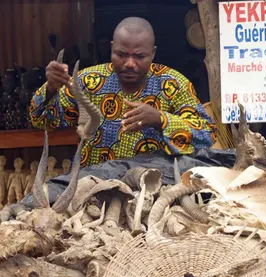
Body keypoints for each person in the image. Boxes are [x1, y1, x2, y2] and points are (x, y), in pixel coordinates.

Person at [29, 17, 217, 167]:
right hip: (92, 191)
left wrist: (161, 120)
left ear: (153, 53)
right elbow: (41, 121)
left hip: (154, 193)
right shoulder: (88, 82)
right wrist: (51, 88)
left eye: (139, 56)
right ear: (111, 48)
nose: (129, 63)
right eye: (121, 54)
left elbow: (207, 136)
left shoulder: (174, 85)